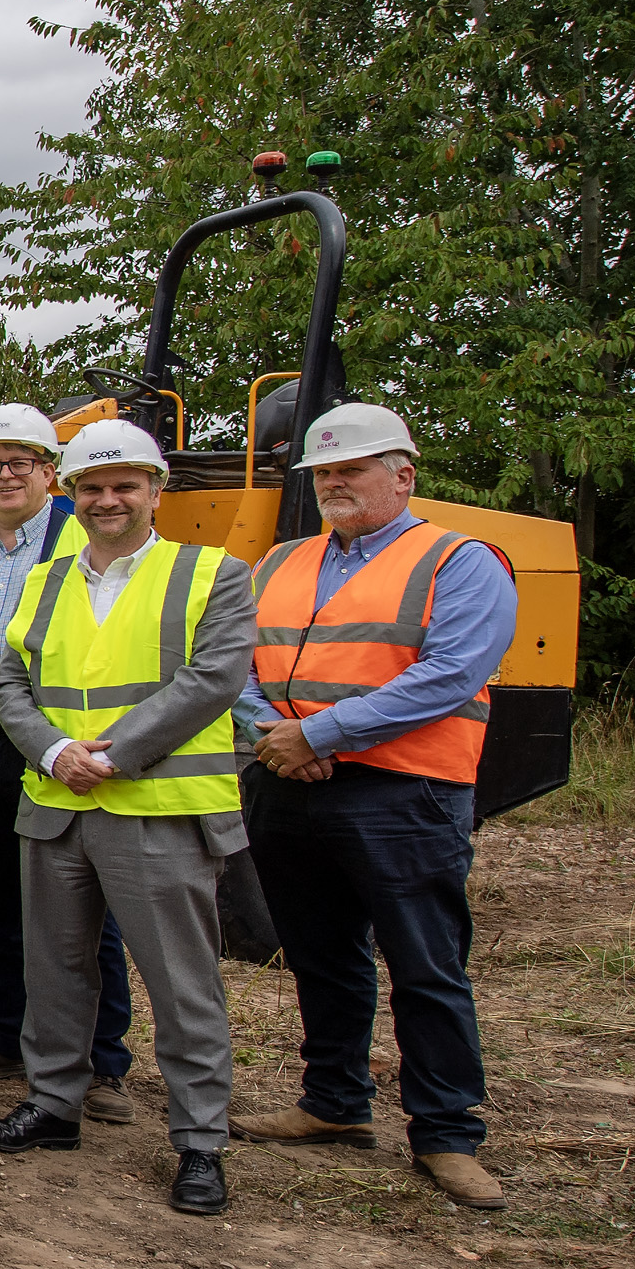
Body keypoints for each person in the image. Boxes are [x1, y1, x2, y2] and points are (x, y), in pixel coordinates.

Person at [234, 402, 521, 1212]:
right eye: (323, 473)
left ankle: (446, 1133)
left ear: (403, 473)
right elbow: (236, 667)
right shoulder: (281, 560)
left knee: (425, 965)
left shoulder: (460, 561)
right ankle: (332, 1102)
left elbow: (451, 672)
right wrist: (278, 736)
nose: (334, 484)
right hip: (291, 784)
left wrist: (320, 733)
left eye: (350, 469)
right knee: (321, 955)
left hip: (406, 791)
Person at [0, 420, 247, 1217]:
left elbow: (214, 679)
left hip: (157, 810)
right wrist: (55, 753)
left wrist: (114, 756)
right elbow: (8, 682)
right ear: (71, 494)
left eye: (124, 485)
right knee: (55, 972)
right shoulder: (46, 579)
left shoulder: (210, 573)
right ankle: (53, 1105)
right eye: (92, 487)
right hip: (57, 805)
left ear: (156, 490)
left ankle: (199, 1140)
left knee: (181, 983)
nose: (107, 499)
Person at [0, 404, 140, 1114]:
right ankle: (1, 1035)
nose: (6, 474)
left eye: (22, 462)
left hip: (63, 750)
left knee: (82, 909)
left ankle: (102, 1061)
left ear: (53, 472)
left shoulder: (87, 541)